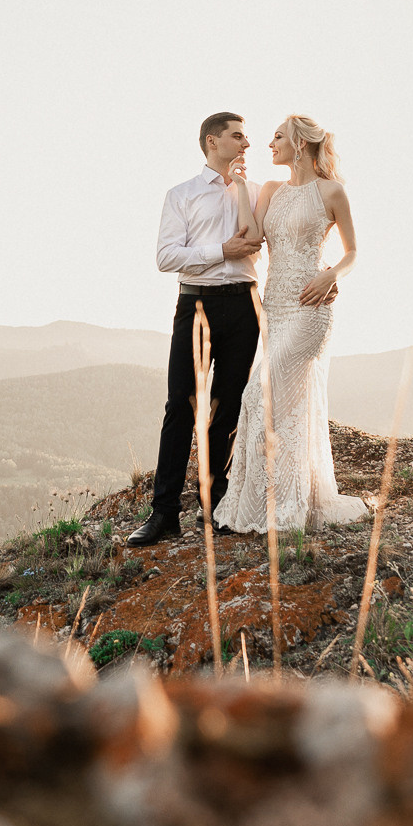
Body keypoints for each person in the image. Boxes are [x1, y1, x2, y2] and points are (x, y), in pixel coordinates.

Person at [215, 114, 370, 532]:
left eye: (278, 136)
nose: (270, 144)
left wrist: (331, 274)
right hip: (276, 306)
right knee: (283, 403)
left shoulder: (332, 191)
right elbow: (251, 234)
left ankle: (287, 508)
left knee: (257, 393)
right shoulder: (269, 189)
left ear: (300, 142)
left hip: (311, 305)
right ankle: (267, 503)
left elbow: (353, 251)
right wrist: (238, 185)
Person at [128, 112, 263, 547]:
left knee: (228, 409)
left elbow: (280, 241)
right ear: (212, 141)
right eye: (237, 135)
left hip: (245, 304)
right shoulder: (182, 194)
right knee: (179, 406)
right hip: (195, 302)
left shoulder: (257, 191)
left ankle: (216, 507)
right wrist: (222, 251)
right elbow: (167, 256)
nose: (246, 142)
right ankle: (164, 513)